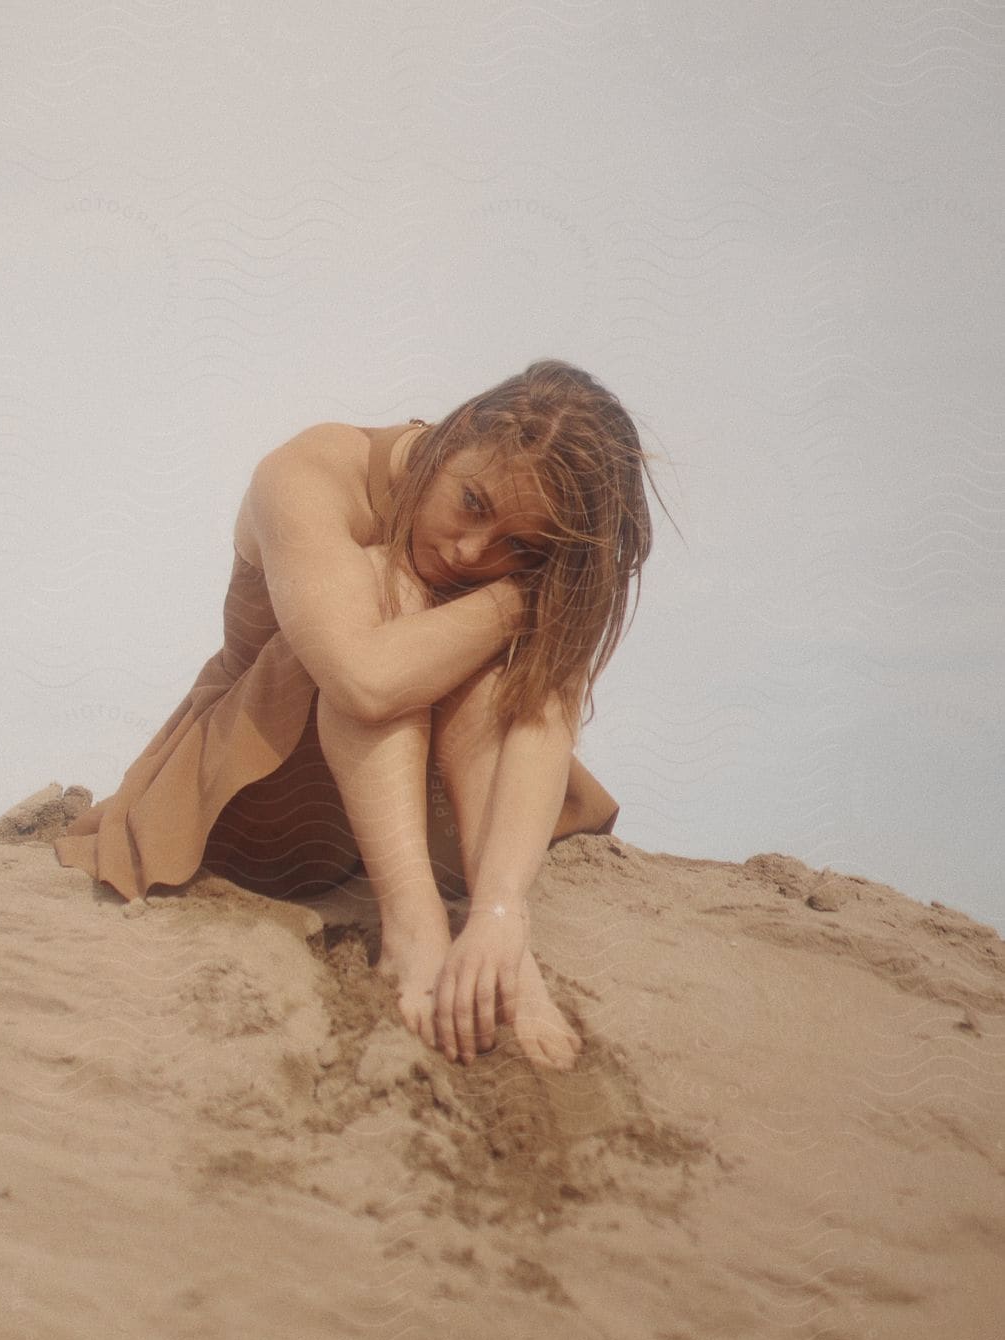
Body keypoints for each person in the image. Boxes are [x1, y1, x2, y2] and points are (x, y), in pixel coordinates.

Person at [54, 358, 659, 1072]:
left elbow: (536, 715)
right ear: (455, 432)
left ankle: (502, 951)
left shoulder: (505, 546)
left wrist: (499, 911)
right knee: (391, 585)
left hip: (420, 816)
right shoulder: (309, 472)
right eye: (471, 503)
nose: (471, 551)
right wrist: (522, 599)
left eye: (517, 546)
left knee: (508, 675)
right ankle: (411, 930)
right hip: (262, 807)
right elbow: (364, 682)